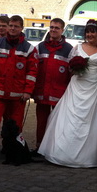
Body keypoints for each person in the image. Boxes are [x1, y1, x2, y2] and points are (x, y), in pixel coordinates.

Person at [38, 19, 97, 167]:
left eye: (93, 32)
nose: (90, 35)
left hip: (94, 88)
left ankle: (89, 155)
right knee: (70, 118)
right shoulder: (77, 48)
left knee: (91, 120)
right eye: (87, 32)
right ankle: (63, 151)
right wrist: (75, 67)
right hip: (77, 86)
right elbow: (69, 67)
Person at [0, 15, 38, 162]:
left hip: (18, 96)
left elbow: (31, 73)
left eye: (16, 26)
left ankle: (11, 149)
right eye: (11, 25)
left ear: (21, 28)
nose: (12, 28)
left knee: (16, 125)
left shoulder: (29, 49)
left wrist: (27, 91)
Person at [33, 18, 73, 147]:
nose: (53, 30)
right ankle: (39, 147)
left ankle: (54, 148)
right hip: (42, 92)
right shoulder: (40, 47)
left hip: (59, 95)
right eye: (51, 27)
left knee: (57, 123)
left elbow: (71, 74)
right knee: (41, 122)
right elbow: (33, 69)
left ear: (62, 30)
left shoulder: (69, 49)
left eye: (56, 28)